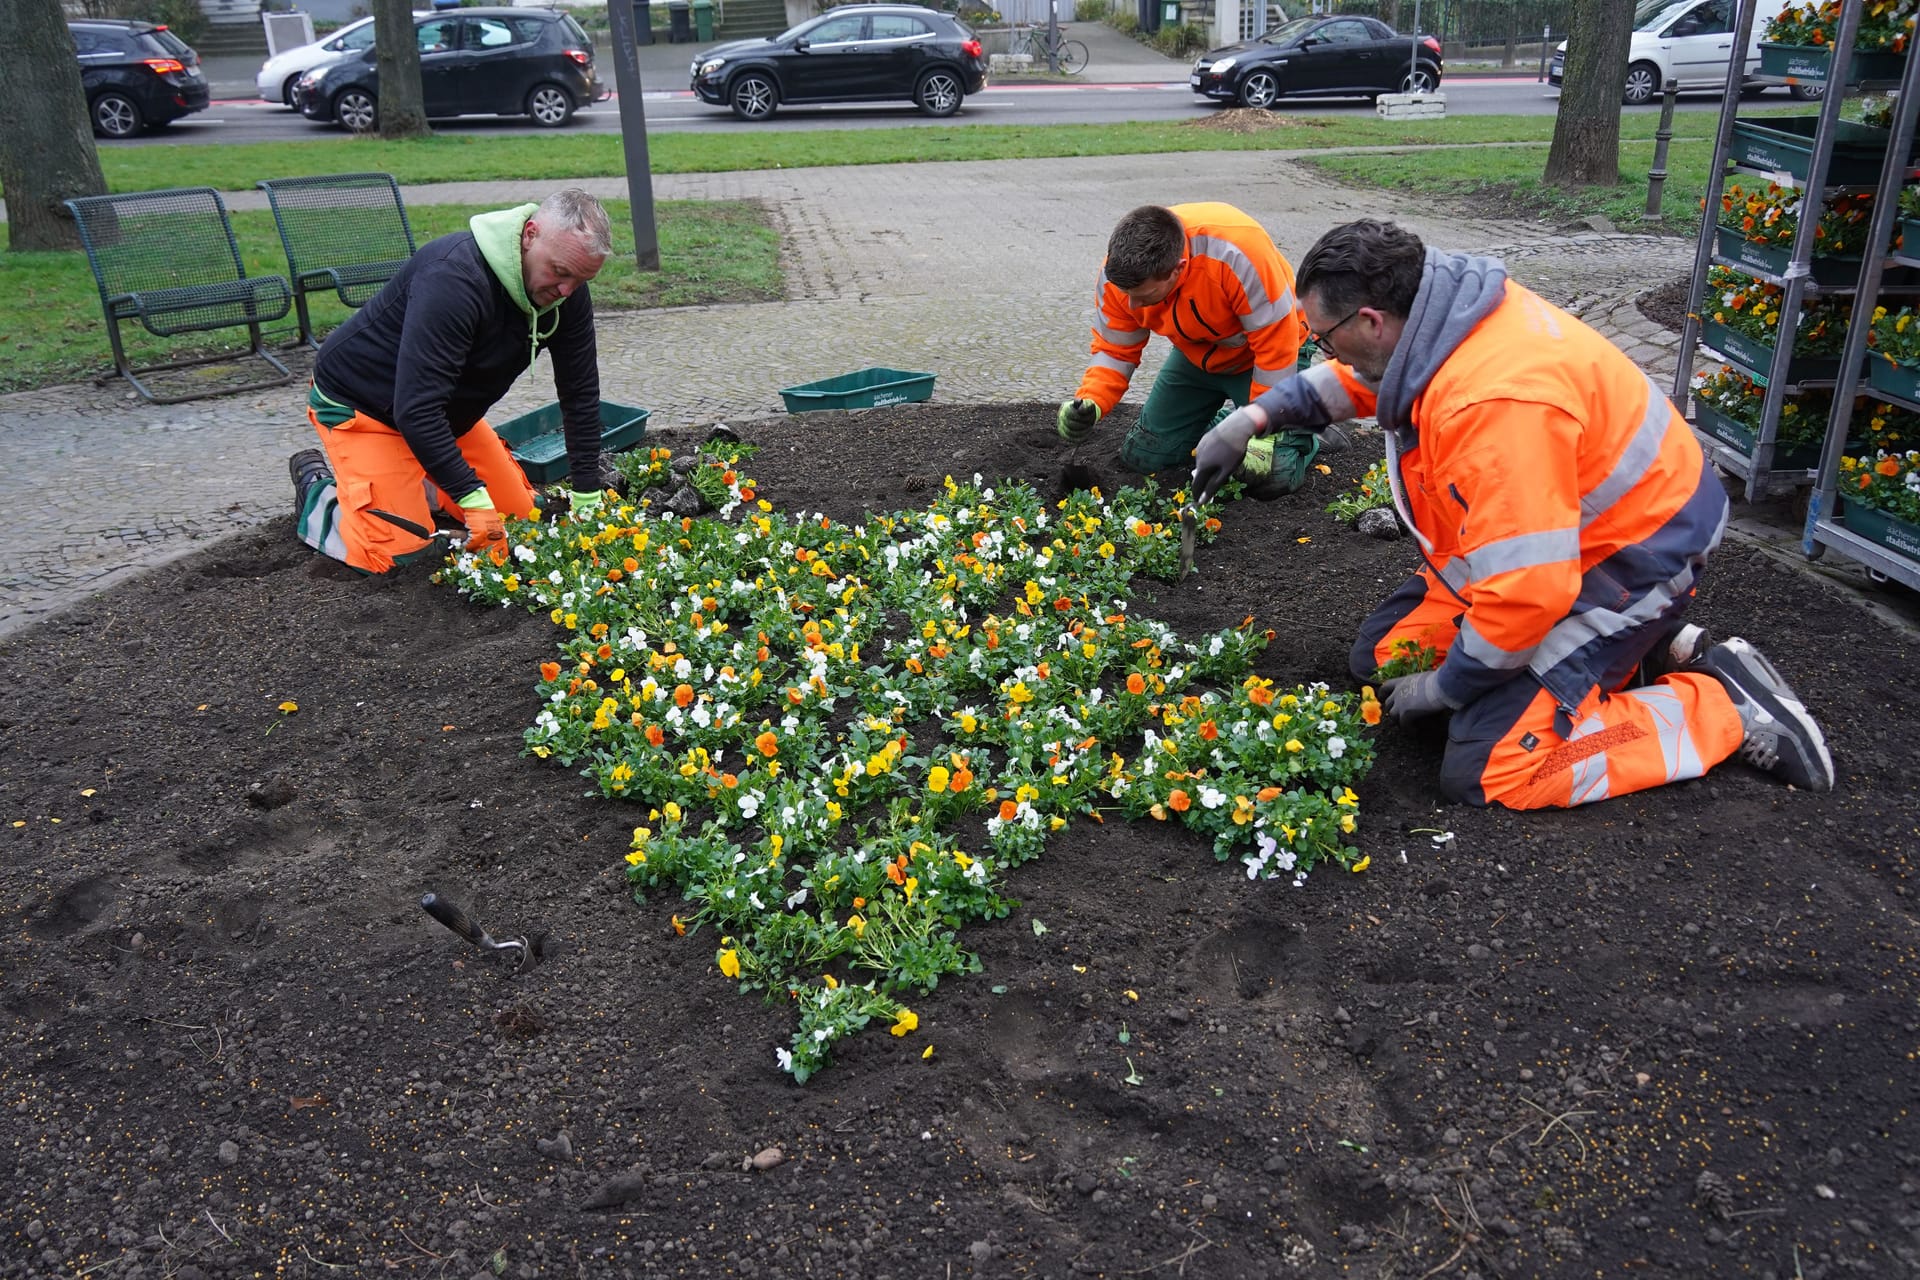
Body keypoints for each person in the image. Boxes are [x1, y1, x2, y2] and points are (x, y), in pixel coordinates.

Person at [1192, 218, 1834, 808]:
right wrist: (1254, 418)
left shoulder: (1493, 406)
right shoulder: (1444, 319)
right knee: (1386, 659)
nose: (1323, 350)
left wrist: (1448, 688)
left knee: (1494, 766)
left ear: (1372, 321)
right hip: (1564, 543)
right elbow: (1366, 381)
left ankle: (1722, 704)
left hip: (1627, 559)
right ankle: (1634, 649)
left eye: (1325, 336)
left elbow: (1529, 592)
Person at [287, 188, 615, 573]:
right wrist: (470, 498)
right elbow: (416, 409)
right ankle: (320, 493)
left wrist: (587, 491)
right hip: (366, 408)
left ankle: (413, 482)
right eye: (560, 272)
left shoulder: (566, 290)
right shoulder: (453, 278)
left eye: (579, 280)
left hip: (446, 417)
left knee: (521, 522)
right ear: (530, 235)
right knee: (397, 555)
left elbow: (579, 394)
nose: (566, 292)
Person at [1057, 202, 1326, 499]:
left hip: (1271, 359)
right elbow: (1115, 349)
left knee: (1271, 477)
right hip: (1197, 359)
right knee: (1143, 458)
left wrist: (1263, 435)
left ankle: (1304, 432)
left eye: (1143, 296)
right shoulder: (1121, 274)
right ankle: (1233, 422)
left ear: (1178, 270)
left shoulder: (1237, 254)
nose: (1132, 307)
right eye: (1127, 296)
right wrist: (1091, 401)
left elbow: (1276, 347)